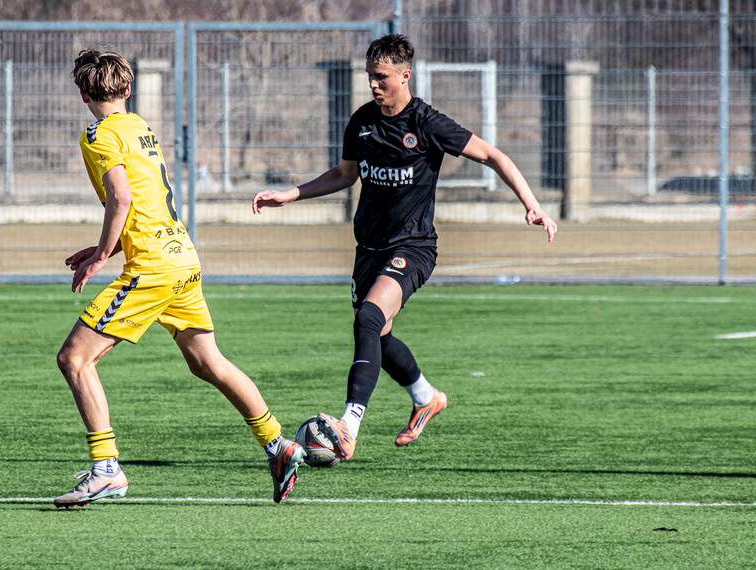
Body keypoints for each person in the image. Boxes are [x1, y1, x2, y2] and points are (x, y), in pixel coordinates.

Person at [252, 33, 557, 461]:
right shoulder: (361, 122)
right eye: (370, 77)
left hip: (413, 247)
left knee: (369, 318)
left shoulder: (427, 123)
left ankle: (348, 426)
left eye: (382, 78)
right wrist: (292, 194)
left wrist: (533, 206)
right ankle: (426, 396)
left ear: (405, 75)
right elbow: (344, 174)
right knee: (379, 332)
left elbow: (493, 156)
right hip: (369, 248)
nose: (374, 85)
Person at [54, 49, 304, 507]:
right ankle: (278, 444)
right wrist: (105, 245)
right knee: (207, 363)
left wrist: (102, 256)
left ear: (84, 93)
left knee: (74, 359)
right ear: (128, 90)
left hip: (150, 265)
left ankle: (106, 469)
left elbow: (122, 198)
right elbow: (141, 199)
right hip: (182, 257)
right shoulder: (140, 127)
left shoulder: (97, 134)